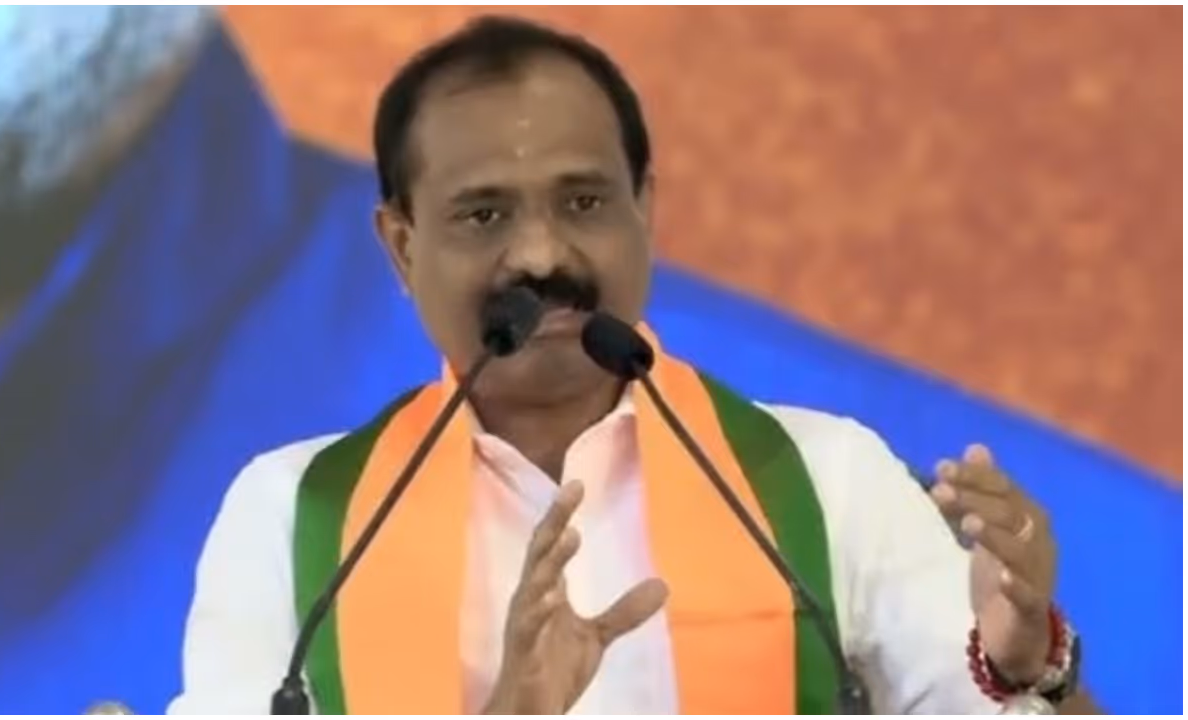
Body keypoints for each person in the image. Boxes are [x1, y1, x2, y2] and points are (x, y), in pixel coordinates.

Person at [170, 16, 1100, 715]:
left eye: (582, 202)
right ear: (402, 247)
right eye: (484, 215)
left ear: (644, 211)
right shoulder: (295, 520)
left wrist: (1032, 667)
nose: (541, 254)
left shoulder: (827, 482)